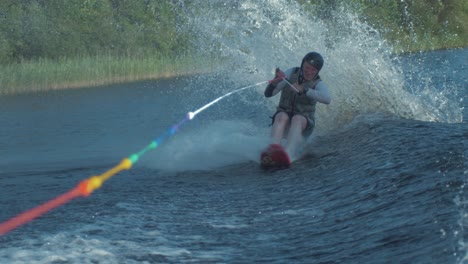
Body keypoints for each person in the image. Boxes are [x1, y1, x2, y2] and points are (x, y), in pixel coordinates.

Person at [264, 51, 331, 160]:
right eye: (307, 68)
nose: (309, 72)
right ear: (302, 65)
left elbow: (327, 99)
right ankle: (272, 150)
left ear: (317, 71)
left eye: (313, 70)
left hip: (303, 127)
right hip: (283, 123)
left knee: (297, 118)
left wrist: (305, 90)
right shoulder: (291, 73)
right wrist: (274, 82)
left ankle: (288, 153)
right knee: (282, 116)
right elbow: (268, 94)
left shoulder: (318, 84)